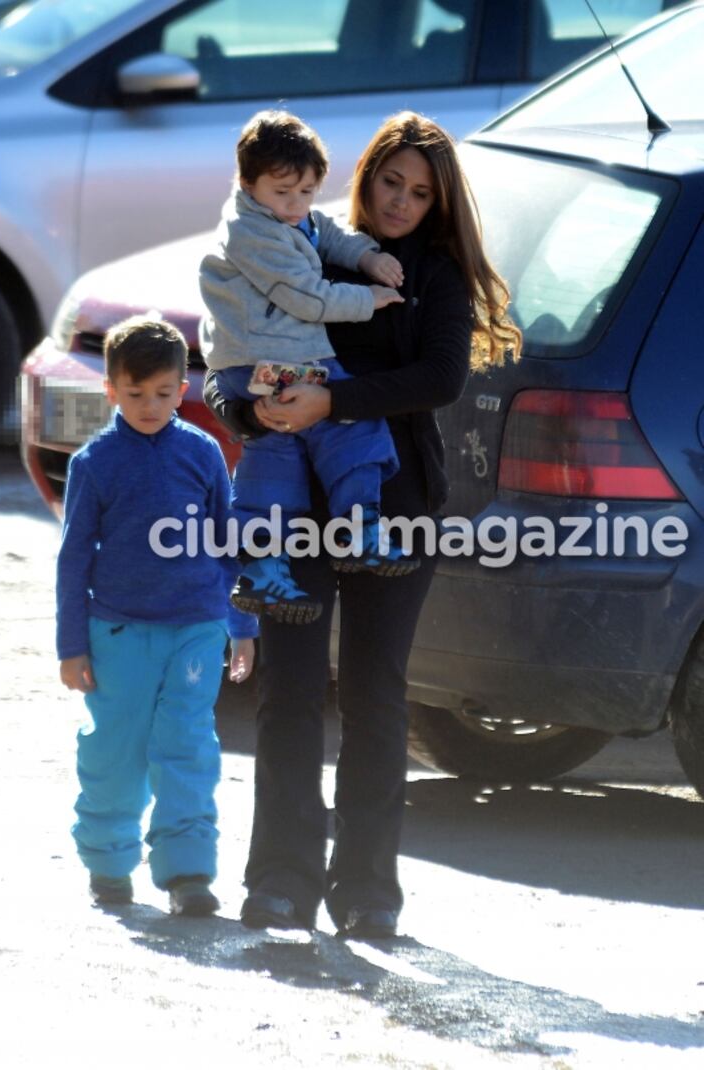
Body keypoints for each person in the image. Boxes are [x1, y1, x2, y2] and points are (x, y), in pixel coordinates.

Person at [204, 112, 521, 938]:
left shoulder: (438, 274)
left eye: (420, 192)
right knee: (291, 688)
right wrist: (244, 407)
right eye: (391, 182)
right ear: (368, 173)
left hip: (398, 505)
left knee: (378, 695)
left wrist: (332, 400)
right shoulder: (296, 232)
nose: (402, 202)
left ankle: (368, 889)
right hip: (293, 501)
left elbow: (441, 377)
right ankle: (279, 878)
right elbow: (223, 358)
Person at [56, 315, 258, 914]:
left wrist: (242, 625)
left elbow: (230, 544)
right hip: (117, 631)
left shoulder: (203, 453)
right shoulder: (93, 463)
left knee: (187, 745)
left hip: (196, 628)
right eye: (136, 393)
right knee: (115, 749)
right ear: (111, 388)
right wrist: (73, 645)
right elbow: (73, 559)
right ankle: (109, 862)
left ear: (184, 387)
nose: (151, 405)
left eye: (165, 393)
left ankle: (187, 873)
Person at [199, 109, 419, 626]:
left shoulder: (286, 217)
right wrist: (368, 297)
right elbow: (307, 297)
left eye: (307, 191)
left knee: (275, 461)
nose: (297, 205)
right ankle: (358, 529)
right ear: (246, 183)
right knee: (352, 425)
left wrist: (367, 257)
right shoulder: (254, 233)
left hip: (255, 362)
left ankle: (263, 568)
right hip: (277, 360)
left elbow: (330, 234)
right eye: (283, 192)